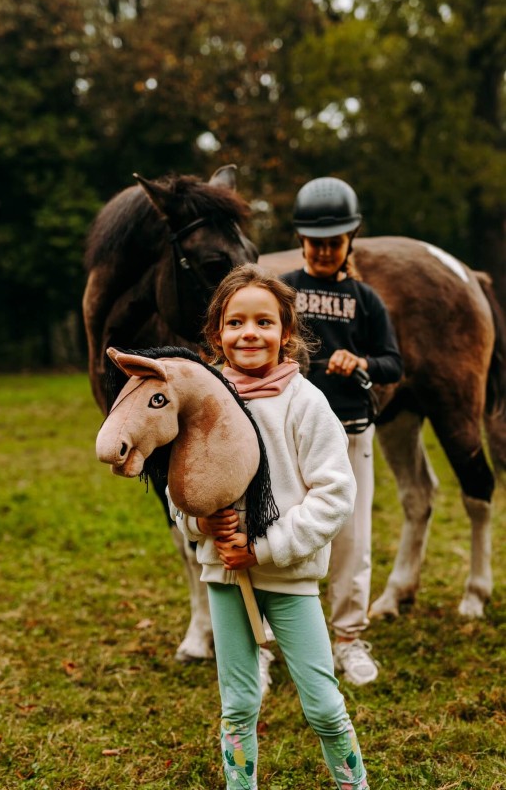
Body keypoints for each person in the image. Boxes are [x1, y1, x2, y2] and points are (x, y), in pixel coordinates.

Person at [171, 263, 370, 790]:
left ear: (286, 334)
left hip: (289, 579)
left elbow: (335, 493)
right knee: (238, 707)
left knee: (324, 705)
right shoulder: (204, 405)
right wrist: (200, 521)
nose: (249, 333)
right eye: (236, 323)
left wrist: (262, 548)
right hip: (225, 580)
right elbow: (182, 490)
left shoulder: (306, 403)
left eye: (264, 322)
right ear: (217, 335)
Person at [281, 177, 403, 686]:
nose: (325, 250)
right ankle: (273, 640)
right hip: (290, 436)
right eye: (316, 240)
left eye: (335, 241)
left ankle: (349, 638)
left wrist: (362, 360)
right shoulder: (282, 292)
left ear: (350, 239)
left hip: (353, 432)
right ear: (302, 239)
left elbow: (393, 364)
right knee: (283, 534)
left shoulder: (366, 299)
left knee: (353, 538)